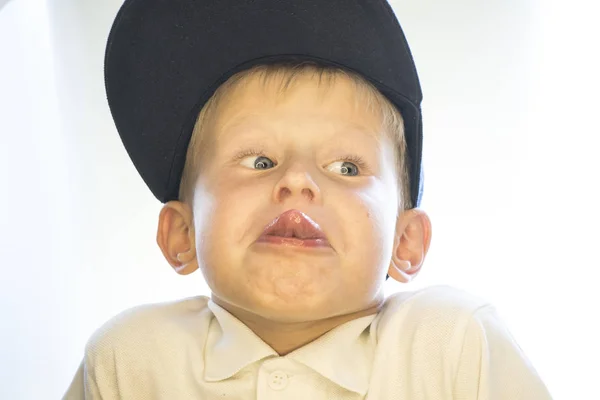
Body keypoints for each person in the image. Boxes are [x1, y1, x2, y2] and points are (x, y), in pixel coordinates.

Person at [64, 0, 552, 398]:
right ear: (182, 234)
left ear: (406, 241)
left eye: (347, 167)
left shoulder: (452, 346)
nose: (298, 181)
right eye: (259, 161)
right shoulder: (129, 363)